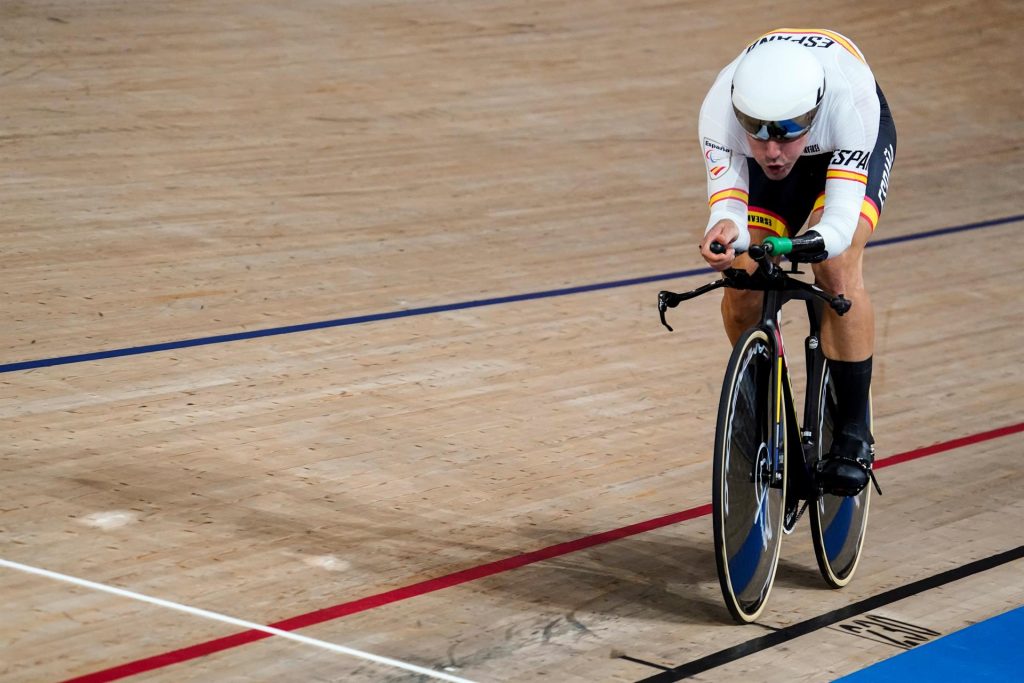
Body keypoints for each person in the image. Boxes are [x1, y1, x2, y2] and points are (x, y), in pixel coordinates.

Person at [696, 29, 896, 496]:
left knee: (836, 265)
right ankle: (761, 402)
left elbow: (840, 222)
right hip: (795, 156)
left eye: (786, 132)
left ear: (814, 109)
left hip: (842, 154)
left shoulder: (851, 102)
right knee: (742, 277)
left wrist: (805, 244)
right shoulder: (718, 110)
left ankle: (853, 429)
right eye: (757, 130)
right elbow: (728, 206)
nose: (771, 149)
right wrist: (727, 234)